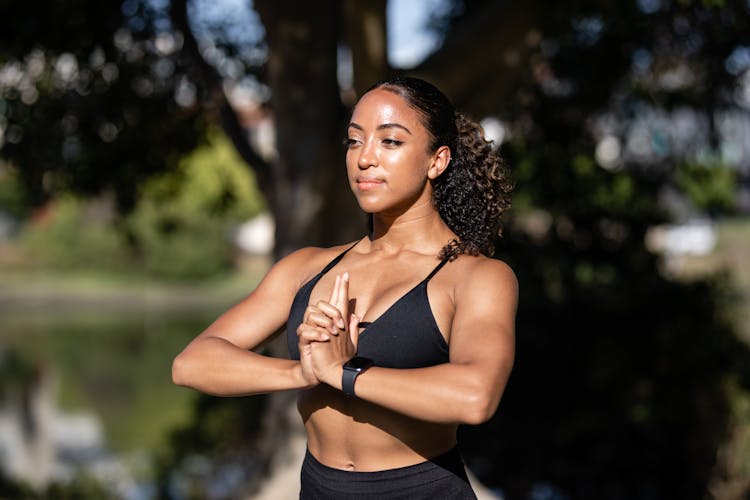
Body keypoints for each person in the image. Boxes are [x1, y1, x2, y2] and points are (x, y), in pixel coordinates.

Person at [172, 76, 518, 499]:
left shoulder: (476, 276)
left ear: (437, 160)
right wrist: (303, 371)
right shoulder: (306, 267)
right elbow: (192, 363)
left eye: (390, 142)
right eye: (354, 142)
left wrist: (345, 372)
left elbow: (475, 396)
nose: (364, 159)